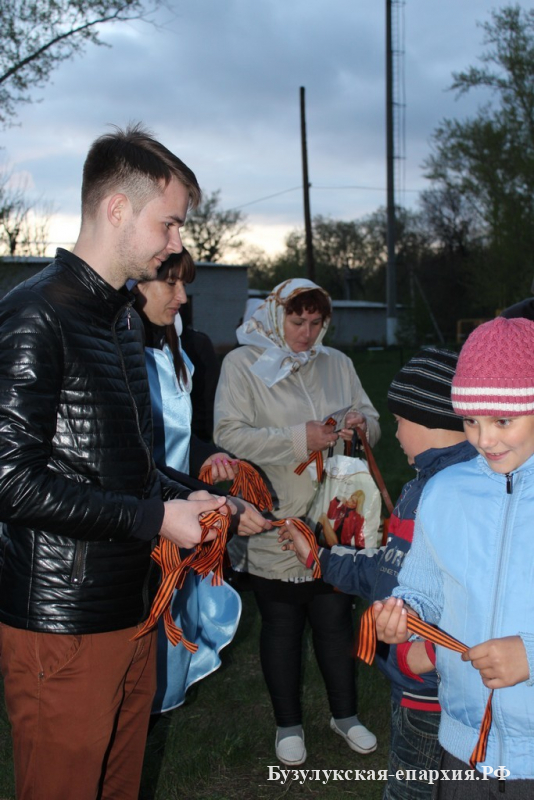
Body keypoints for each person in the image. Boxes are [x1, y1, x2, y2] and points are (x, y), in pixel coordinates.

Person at [0, 123, 229, 800]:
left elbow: (131, 469)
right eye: (170, 224)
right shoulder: (34, 315)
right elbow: (10, 482)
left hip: (135, 610)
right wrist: (156, 518)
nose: (177, 243)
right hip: (62, 624)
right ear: (118, 209)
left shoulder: (125, 321)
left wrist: (191, 500)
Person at [279, 347, 474, 800]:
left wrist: (423, 657)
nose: (396, 432)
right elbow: (389, 570)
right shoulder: (423, 485)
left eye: (400, 421)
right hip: (413, 680)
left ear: (428, 420)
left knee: (411, 790)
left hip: (432, 688)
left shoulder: (454, 494)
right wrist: (320, 558)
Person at [213, 278, 380, 766]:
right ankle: (288, 724)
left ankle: (344, 715)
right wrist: (297, 438)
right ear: (274, 316)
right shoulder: (241, 364)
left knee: (334, 620)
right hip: (273, 518)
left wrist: (358, 425)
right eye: (297, 320)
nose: (306, 333)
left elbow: (371, 420)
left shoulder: (338, 363)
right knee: (282, 625)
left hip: (335, 519)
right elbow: (228, 435)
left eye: (315, 322)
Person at [375, 317, 534, 796]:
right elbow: (421, 588)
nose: (483, 440)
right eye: (470, 421)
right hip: (463, 747)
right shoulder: (444, 491)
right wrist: (405, 613)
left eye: (502, 421)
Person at [133, 249, 271, 712]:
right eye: (171, 283)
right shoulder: (115, 351)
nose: (182, 297)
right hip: (143, 515)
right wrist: (221, 503)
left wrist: (208, 456)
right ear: (135, 282)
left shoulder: (176, 343)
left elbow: (177, 433)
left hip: (179, 510)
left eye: (184, 285)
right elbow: (135, 458)